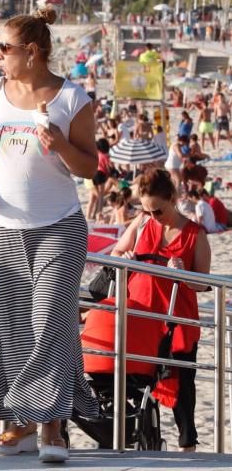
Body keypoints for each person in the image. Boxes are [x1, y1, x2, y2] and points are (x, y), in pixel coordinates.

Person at [0, 7, 99, 462]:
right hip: (3, 227)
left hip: (59, 227)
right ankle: (18, 425)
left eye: (4, 49)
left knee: (50, 321)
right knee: (9, 328)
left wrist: (58, 143)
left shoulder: (71, 99)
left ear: (32, 52)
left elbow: (90, 167)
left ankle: (50, 429)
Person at [111, 168, 211, 452]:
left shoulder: (194, 233)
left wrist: (184, 273)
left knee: (183, 388)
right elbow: (116, 254)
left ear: (173, 199)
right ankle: (146, 441)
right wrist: (126, 256)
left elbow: (204, 283)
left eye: (158, 210)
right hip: (142, 316)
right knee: (140, 384)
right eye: (147, 210)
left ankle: (187, 446)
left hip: (178, 321)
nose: (153, 216)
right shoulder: (143, 222)